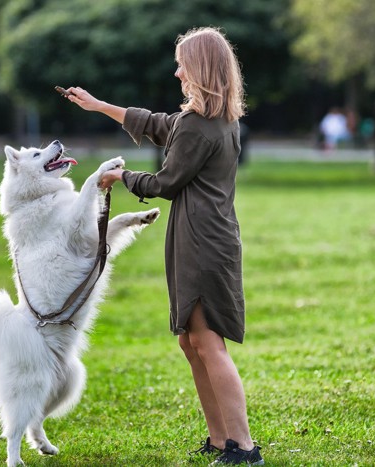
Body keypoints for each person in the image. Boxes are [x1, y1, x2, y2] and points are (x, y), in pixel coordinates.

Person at [62, 27, 263, 465]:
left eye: (182, 64)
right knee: (192, 344)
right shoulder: (219, 120)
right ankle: (219, 440)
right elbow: (159, 125)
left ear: (201, 69)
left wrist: (120, 178)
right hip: (210, 238)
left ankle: (243, 447)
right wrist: (99, 106)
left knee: (208, 344)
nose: (176, 72)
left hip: (202, 242)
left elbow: (166, 183)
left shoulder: (198, 125)